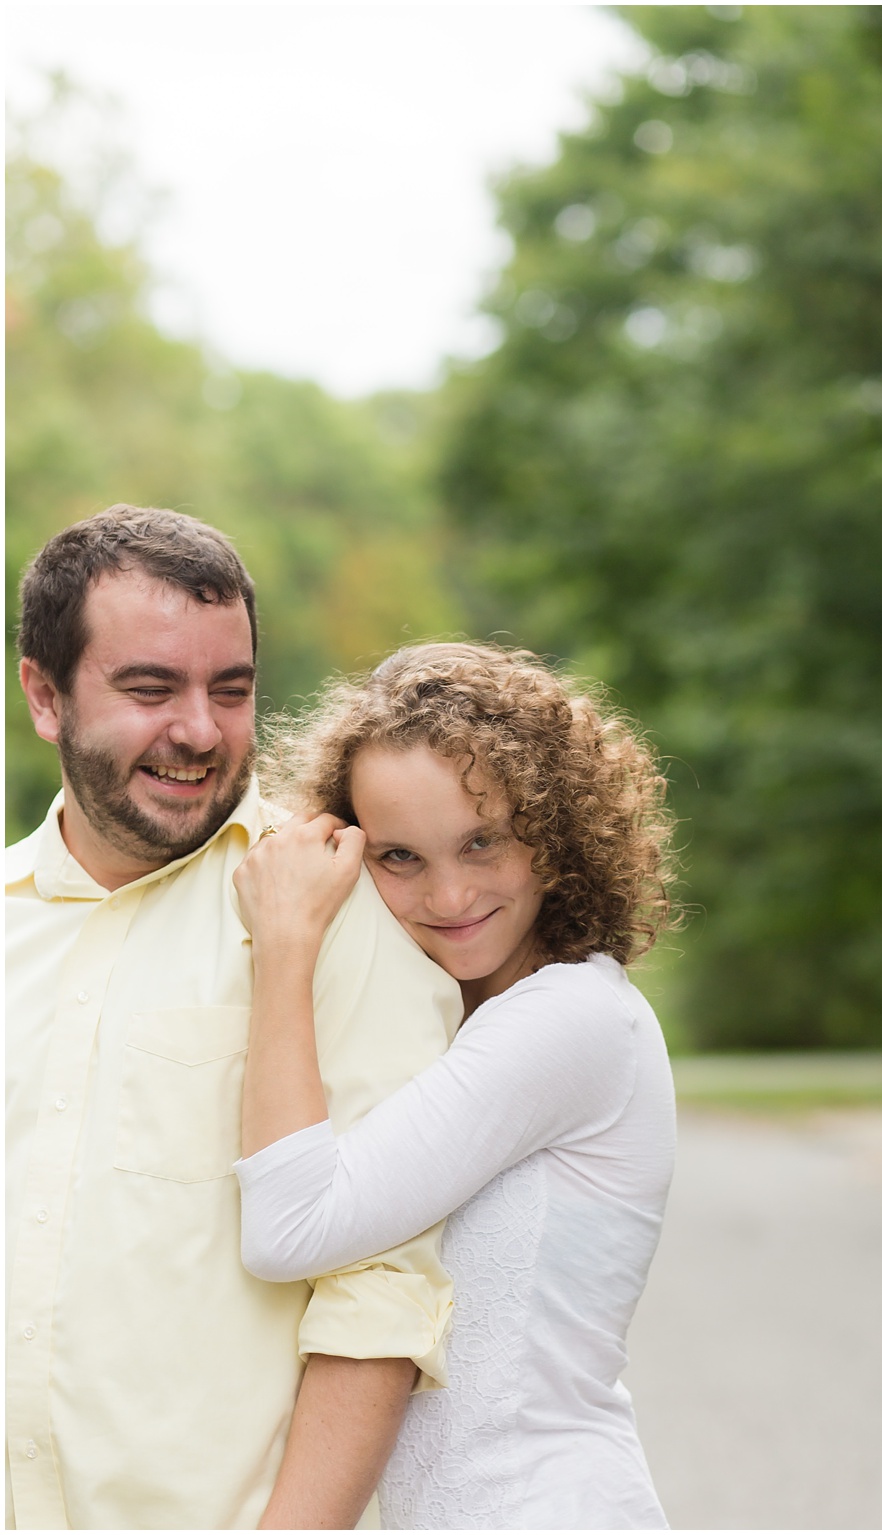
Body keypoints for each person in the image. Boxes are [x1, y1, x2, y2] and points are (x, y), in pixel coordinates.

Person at [5, 505, 460, 1530]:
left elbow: (381, 1290)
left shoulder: (330, 910)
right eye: (150, 687)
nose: (201, 731)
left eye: (233, 689)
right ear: (45, 694)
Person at [230, 641, 677, 1529]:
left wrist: (287, 941)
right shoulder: (464, 1019)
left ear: (554, 833)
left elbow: (290, 1228)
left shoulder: (568, 1021)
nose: (450, 892)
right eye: (399, 857)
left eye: (483, 840)